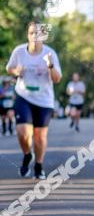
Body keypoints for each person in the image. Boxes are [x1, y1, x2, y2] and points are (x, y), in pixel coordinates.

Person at [6, 22, 62, 179]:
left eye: (38, 33)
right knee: (23, 133)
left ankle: (38, 165)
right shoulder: (19, 51)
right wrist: (16, 70)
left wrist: (50, 65)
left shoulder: (50, 53)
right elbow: (9, 68)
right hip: (23, 96)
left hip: (44, 100)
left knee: (39, 136)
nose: (35, 36)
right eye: (32, 33)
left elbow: (57, 79)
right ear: (27, 35)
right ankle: (26, 154)